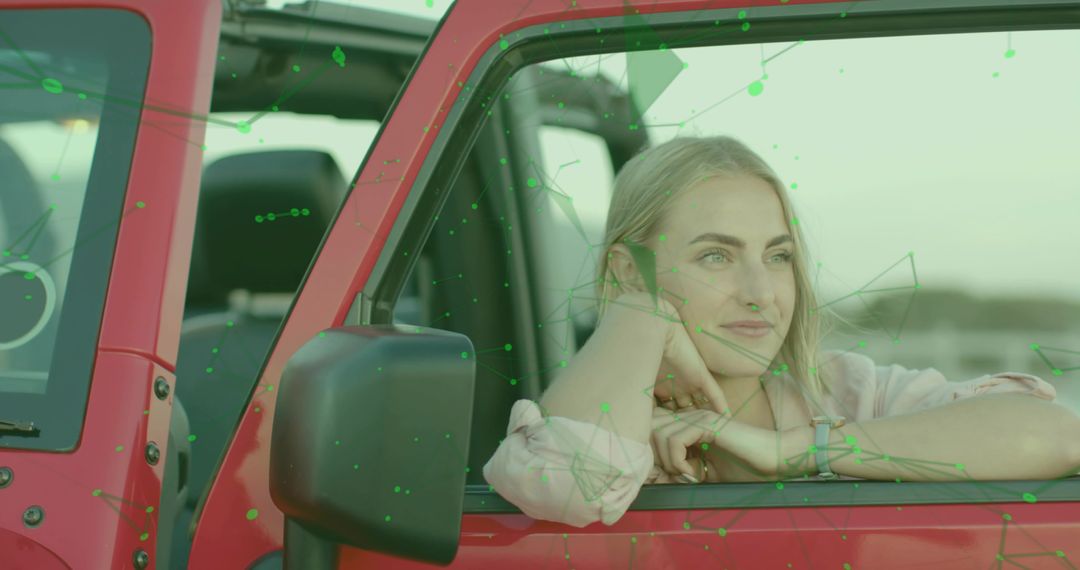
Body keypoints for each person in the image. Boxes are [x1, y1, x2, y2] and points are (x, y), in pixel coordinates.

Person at [482, 135, 1059, 528]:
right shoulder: (598, 409)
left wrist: (802, 450)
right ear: (629, 270)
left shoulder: (846, 393)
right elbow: (568, 486)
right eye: (716, 256)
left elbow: (1053, 435)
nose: (762, 291)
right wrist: (639, 311)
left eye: (778, 256)